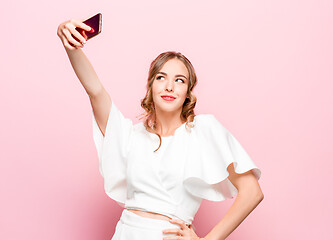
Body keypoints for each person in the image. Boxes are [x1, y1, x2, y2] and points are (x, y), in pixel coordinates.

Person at [57, 17, 264, 240]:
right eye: (161, 77)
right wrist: (71, 46)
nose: (169, 86)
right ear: (151, 86)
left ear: (188, 92)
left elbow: (252, 192)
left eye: (179, 80)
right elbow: (95, 91)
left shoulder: (203, 131)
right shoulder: (130, 136)